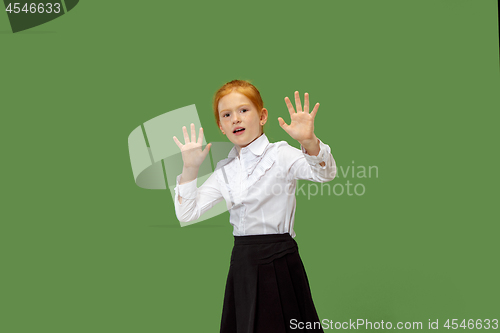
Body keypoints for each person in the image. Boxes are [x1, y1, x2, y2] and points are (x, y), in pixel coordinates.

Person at [172, 80, 337, 332]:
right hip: (243, 264)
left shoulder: (280, 154)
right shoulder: (224, 172)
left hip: (280, 261)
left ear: (262, 116)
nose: (235, 119)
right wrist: (190, 168)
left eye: (243, 110)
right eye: (226, 115)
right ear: (221, 127)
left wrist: (310, 141)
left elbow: (325, 174)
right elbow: (187, 213)